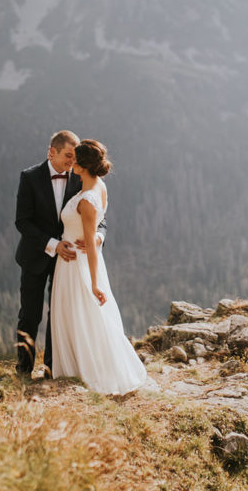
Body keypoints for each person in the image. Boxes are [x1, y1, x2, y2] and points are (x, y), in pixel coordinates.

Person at [49, 139, 147, 395]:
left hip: (76, 266)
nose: (71, 164)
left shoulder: (87, 200)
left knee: (83, 316)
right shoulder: (98, 186)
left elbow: (91, 245)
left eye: (75, 160)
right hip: (69, 261)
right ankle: (78, 369)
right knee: (79, 316)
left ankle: (86, 372)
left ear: (82, 166)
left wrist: (93, 283)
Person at [14, 130, 106, 378]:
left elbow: (99, 217)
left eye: (74, 156)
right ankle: (23, 369)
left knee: (61, 316)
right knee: (30, 314)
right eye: (68, 155)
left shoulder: (80, 176)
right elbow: (22, 221)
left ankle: (53, 369)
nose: (72, 161)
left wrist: (98, 238)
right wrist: (54, 244)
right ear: (51, 152)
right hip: (36, 255)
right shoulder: (30, 177)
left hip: (70, 263)